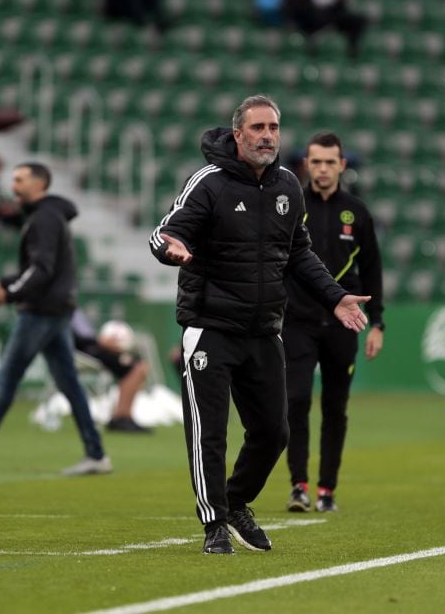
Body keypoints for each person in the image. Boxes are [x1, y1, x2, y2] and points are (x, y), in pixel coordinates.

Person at [149, 95, 371, 555]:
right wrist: (169, 248)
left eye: (273, 127)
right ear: (238, 134)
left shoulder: (288, 184)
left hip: (265, 329)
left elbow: (299, 254)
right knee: (210, 433)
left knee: (275, 431)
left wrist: (335, 297)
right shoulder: (207, 183)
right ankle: (213, 525)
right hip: (210, 327)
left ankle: (236, 502)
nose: (267, 135)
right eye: (258, 128)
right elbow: (165, 231)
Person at [0, 163, 111, 476]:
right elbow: (39, 270)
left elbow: (40, 270)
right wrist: (4, 284)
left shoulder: (43, 218)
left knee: (7, 379)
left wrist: (8, 293)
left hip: (40, 311)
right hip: (56, 310)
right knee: (69, 383)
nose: (13, 185)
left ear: (39, 183)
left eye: (20, 179)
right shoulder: (49, 215)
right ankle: (96, 454)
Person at [283, 131, 385, 514]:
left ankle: (327, 489)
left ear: (342, 166)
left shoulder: (357, 212)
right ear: (305, 165)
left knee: (335, 407)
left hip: (344, 325)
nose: (322, 169)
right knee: (295, 401)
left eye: (330, 162)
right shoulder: (291, 205)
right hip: (298, 321)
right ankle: (299, 485)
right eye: (316, 162)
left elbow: (373, 269)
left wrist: (377, 323)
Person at [71, 310, 152, 433]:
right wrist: (103, 343)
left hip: (92, 349)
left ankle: (124, 416)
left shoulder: (70, 307)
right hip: (87, 352)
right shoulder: (65, 309)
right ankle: (121, 417)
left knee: (139, 366)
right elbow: (80, 338)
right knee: (138, 367)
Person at [284, 0, 369, 58]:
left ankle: (352, 49)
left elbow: (343, 5)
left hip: (333, 13)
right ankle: (312, 41)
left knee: (358, 20)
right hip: (312, 14)